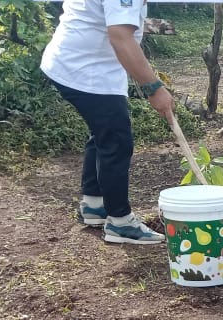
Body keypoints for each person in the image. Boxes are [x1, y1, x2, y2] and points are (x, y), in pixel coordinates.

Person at [40, 0, 170, 244]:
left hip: (80, 63)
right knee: (117, 140)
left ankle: (94, 205)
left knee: (103, 131)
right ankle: (120, 221)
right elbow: (120, 37)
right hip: (84, 69)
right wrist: (154, 88)